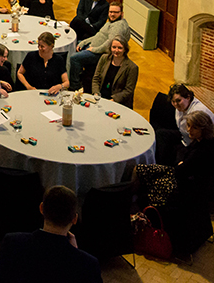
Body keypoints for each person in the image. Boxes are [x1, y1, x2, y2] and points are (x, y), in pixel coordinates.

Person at [135, 112, 214, 257]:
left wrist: (181, 163)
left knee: (142, 172)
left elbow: (180, 170)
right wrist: (182, 162)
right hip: (190, 183)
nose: (189, 130)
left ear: (203, 128)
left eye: (193, 127)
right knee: (145, 170)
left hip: (185, 189)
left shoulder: (201, 151)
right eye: (189, 126)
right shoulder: (204, 142)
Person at [0, 186, 102, 283]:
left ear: (41, 208)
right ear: (75, 219)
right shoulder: (88, 264)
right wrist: (75, 253)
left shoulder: (12, 242)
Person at [68, 2, 130, 90]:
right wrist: (84, 42)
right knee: (77, 43)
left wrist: (94, 49)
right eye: (110, 12)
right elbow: (98, 36)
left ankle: (74, 86)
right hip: (93, 46)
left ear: (121, 14)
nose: (112, 14)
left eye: (116, 12)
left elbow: (110, 44)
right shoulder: (111, 22)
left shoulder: (118, 26)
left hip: (99, 53)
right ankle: (79, 74)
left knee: (74, 58)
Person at [155, 84, 214, 166]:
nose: (175, 104)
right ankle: (160, 165)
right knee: (160, 134)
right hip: (185, 137)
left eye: (178, 100)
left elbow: (202, 138)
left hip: (194, 144)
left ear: (188, 97)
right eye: (173, 101)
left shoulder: (198, 112)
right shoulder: (181, 106)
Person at [91, 36, 139, 107]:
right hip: (100, 98)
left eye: (120, 48)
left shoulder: (132, 67)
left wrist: (113, 100)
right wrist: (96, 94)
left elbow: (128, 91)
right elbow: (96, 79)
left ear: (125, 49)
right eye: (114, 47)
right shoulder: (104, 58)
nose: (116, 50)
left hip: (118, 102)